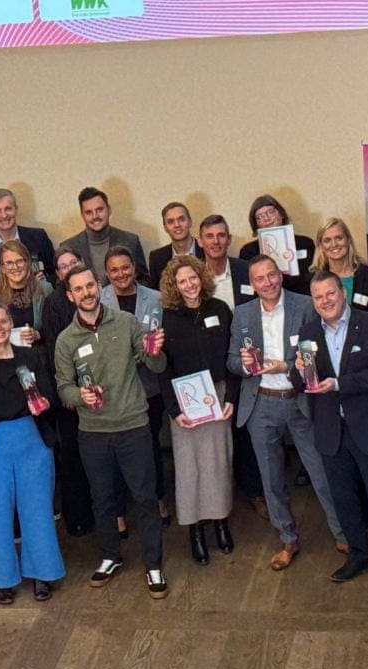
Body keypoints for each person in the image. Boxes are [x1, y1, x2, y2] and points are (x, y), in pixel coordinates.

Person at [291, 271, 368, 602]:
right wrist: (299, 370)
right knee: (344, 500)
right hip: (330, 431)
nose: (325, 301)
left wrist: (338, 384)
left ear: (342, 293)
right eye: (318, 297)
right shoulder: (308, 332)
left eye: (330, 293)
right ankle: (359, 555)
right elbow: (299, 382)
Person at [54, 265, 169, 598]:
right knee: (102, 500)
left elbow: (156, 366)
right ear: (70, 296)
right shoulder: (65, 340)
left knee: (146, 498)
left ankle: (153, 564)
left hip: (133, 425)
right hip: (93, 432)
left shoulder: (127, 322)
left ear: (98, 286)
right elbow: (63, 388)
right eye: (78, 289)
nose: (86, 293)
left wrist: (154, 351)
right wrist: (80, 396)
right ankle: (110, 556)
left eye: (90, 285)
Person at [228, 256, 346, 570]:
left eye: (271, 275)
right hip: (261, 404)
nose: (267, 283)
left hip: (300, 400)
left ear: (280, 275)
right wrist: (245, 365)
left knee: (321, 472)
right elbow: (231, 362)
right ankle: (288, 538)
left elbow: (320, 350)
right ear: (252, 284)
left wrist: (287, 365)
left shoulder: (305, 305)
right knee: (271, 479)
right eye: (260, 278)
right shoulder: (242, 314)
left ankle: (342, 532)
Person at [0, 303, 65, 604]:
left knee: (38, 512)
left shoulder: (31, 357)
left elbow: (50, 397)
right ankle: (2, 578)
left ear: (11, 324)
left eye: (3, 321)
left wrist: (42, 404)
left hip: (31, 443)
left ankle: (42, 574)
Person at [157, 256, 238, 564]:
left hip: (216, 395)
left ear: (201, 278)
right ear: (173, 286)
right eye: (182, 281)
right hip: (185, 400)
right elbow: (162, 368)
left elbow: (232, 357)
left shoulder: (220, 310)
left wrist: (231, 396)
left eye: (192, 278)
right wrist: (173, 409)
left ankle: (221, 522)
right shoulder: (167, 318)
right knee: (189, 468)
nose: (189, 285)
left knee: (218, 462)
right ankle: (195, 531)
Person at [99, 246, 169, 528]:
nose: (121, 274)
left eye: (125, 267)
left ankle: (158, 499)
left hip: (149, 386)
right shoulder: (99, 299)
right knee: (114, 453)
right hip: (114, 390)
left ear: (134, 268)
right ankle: (119, 512)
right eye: (114, 270)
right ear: (106, 273)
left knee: (150, 447)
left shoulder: (156, 298)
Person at [198, 214, 264, 514]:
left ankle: (254, 491)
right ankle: (222, 496)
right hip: (211, 364)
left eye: (221, 235)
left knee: (246, 426)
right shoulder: (193, 275)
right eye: (210, 236)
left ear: (229, 239)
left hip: (247, 359)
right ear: (200, 242)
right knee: (218, 433)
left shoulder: (244, 270)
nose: (216, 241)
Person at [40, 246, 94, 537]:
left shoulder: (95, 295)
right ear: (58, 274)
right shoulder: (53, 303)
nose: (70, 267)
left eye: (74, 261)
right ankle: (78, 516)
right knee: (74, 456)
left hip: (101, 392)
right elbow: (53, 352)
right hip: (70, 392)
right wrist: (70, 392)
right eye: (63, 266)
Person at [0, 188, 57, 313]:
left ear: (16, 210)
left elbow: (56, 274)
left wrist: (44, 283)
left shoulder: (38, 238)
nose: (4, 215)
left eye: (8, 209)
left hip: (38, 313)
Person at [60, 187, 148, 285]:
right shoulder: (68, 247)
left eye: (99, 210)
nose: (95, 216)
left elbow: (144, 281)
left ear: (109, 210)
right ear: (82, 216)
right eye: (88, 212)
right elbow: (62, 286)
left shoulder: (131, 241)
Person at [0, 240, 54, 346]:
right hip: (4, 354)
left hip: (40, 352)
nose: (15, 267)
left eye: (19, 261)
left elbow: (55, 327)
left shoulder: (45, 289)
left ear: (27, 263)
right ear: (2, 268)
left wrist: (37, 334)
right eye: (9, 263)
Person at [239, 195, 314, 295]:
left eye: (270, 212)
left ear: (281, 214)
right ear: (255, 224)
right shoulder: (248, 251)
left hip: (301, 298)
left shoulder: (305, 244)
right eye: (259, 217)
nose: (266, 218)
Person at [309, 217, 368, 316]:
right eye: (327, 240)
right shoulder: (312, 279)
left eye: (339, 238)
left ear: (348, 240)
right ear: (321, 246)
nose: (334, 244)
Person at [147, 202, 203, 288]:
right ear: (165, 228)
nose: (177, 225)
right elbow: (155, 292)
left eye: (181, 219)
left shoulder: (206, 250)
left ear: (190, 222)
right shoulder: (157, 258)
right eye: (170, 222)